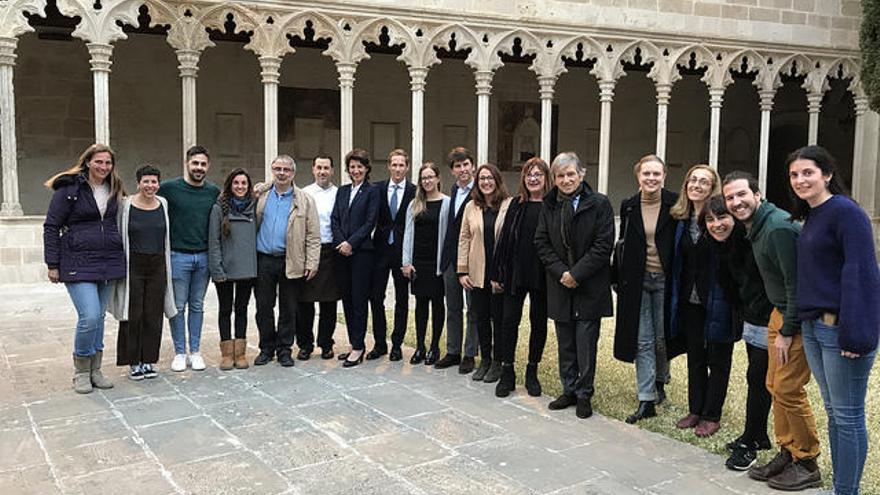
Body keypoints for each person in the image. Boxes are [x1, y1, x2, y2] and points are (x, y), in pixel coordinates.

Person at [788, 146, 879, 495]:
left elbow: (861, 274)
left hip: (840, 329)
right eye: (794, 175)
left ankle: (847, 491)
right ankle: (841, 488)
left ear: (827, 174)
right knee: (835, 414)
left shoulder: (846, 212)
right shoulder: (813, 215)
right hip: (815, 327)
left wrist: (857, 335)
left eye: (808, 172)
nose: (800, 180)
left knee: (849, 416)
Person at [722, 171, 821, 491]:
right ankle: (788, 450)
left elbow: (796, 283)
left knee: (789, 389)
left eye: (741, 195)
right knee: (773, 384)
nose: (736, 203)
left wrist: (788, 328)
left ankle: (807, 461)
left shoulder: (777, 228)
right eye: (730, 198)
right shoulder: (757, 227)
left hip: (795, 317)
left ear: (757, 194)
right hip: (779, 313)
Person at [534, 152, 613, 419]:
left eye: (571, 174)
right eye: (560, 176)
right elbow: (541, 243)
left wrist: (576, 273)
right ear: (554, 179)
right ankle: (568, 389)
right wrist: (561, 273)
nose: (566, 180)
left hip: (589, 284)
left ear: (582, 174)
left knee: (585, 342)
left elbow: (603, 245)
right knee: (565, 341)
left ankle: (583, 394)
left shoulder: (599, 203)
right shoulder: (549, 204)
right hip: (560, 284)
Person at [43, 143, 125, 393]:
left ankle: (95, 370)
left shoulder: (115, 188)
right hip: (77, 261)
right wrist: (53, 264)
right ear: (88, 161)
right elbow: (51, 226)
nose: (103, 167)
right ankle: (80, 371)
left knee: (99, 318)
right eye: (99, 162)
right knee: (89, 316)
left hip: (107, 261)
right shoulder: (69, 189)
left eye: (108, 163)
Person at [699, 196, 773, 471]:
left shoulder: (751, 242)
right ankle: (758, 434)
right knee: (758, 377)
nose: (717, 225)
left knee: (758, 377)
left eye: (722, 218)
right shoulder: (722, 246)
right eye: (710, 220)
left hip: (770, 317)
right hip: (752, 315)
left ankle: (750, 444)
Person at [668, 165, 735, 438]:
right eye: (692, 180)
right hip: (689, 300)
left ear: (713, 187)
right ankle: (696, 408)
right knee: (695, 356)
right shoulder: (680, 220)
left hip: (719, 299)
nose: (696, 185)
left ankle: (711, 414)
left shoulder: (720, 217)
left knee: (718, 359)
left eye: (704, 181)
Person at [613, 154, 678, 424]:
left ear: (664, 176)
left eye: (656, 174)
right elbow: (623, 243)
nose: (651, 178)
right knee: (643, 340)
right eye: (646, 174)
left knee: (662, 339)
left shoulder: (675, 203)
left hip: (666, 280)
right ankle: (646, 398)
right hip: (637, 281)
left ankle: (661, 380)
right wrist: (617, 276)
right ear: (638, 177)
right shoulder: (628, 206)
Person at [490, 157, 551, 398]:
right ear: (524, 179)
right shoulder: (516, 204)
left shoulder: (553, 205)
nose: (533, 178)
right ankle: (507, 372)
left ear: (546, 178)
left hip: (543, 273)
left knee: (539, 323)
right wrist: (497, 272)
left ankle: (532, 371)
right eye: (529, 175)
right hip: (515, 272)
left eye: (538, 174)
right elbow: (504, 240)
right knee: (508, 321)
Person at [253, 155, 321, 367]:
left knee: (288, 308)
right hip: (263, 260)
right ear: (272, 171)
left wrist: (312, 262)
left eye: (285, 169)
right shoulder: (261, 196)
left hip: (290, 260)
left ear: (293, 173)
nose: (281, 173)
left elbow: (313, 234)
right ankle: (266, 348)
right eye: (277, 169)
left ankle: (284, 349)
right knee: (263, 307)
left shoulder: (304, 199)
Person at [158, 145, 220, 372]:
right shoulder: (169, 189)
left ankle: (195, 351)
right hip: (178, 256)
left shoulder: (213, 191)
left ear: (208, 166)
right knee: (178, 306)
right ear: (187, 164)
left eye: (203, 164)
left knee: (197, 305)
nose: (199, 168)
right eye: (195, 163)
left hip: (203, 257)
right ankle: (180, 352)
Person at [113, 165, 176, 381]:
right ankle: (133, 361)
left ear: (159, 184)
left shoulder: (163, 204)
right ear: (138, 183)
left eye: (154, 182)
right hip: (134, 264)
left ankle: (148, 359)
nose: (150, 186)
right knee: (133, 314)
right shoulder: (126, 205)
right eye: (146, 181)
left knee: (153, 314)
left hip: (157, 263)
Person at [457, 163, 512, 382]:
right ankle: (485, 360)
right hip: (477, 272)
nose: (486, 182)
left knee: (498, 320)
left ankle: (498, 362)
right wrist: (462, 271)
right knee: (481, 318)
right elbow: (464, 238)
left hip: (498, 274)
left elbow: (511, 241)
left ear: (497, 181)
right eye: (482, 179)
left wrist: (504, 274)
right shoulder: (471, 206)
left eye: (490, 178)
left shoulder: (509, 205)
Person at [332, 148, 380, 367]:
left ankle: (359, 347)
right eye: (352, 166)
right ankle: (353, 343)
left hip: (362, 253)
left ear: (366, 168)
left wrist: (351, 243)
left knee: (360, 299)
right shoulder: (342, 191)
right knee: (347, 299)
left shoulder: (372, 191)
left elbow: (370, 222)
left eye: (360, 166)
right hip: (341, 253)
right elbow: (334, 219)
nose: (356, 170)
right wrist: (342, 242)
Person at [434, 147, 480, 374]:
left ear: (472, 165)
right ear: (452, 171)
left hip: (472, 261)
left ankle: (470, 354)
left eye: (466, 165)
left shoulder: (481, 191)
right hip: (451, 260)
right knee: (452, 307)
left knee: (473, 309)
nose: (463, 170)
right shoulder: (453, 191)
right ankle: (453, 351)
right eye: (458, 166)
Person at [368, 149, 416, 361]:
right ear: (388, 166)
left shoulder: (415, 191)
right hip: (379, 250)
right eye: (394, 165)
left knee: (402, 299)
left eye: (401, 165)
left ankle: (397, 344)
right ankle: (379, 344)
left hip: (402, 251)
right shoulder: (377, 188)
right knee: (376, 296)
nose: (397, 169)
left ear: (407, 167)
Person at [208, 168, 257, 370]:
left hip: (247, 269)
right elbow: (214, 241)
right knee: (225, 310)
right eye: (236, 183)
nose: (240, 187)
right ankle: (227, 353)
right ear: (230, 185)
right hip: (225, 270)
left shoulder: (255, 207)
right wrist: (217, 268)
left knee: (242, 309)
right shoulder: (219, 208)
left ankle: (241, 352)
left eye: (244, 183)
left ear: (249, 186)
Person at [402, 162, 450, 365]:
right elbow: (407, 234)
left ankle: (434, 347)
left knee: (438, 305)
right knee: (421, 306)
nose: (427, 181)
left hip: (437, 262)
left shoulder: (447, 203)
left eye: (431, 177)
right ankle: (420, 346)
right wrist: (406, 262)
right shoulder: (415, 204)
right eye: (424, 178)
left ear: (438, 178)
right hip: (418, 263)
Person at [297, 155, 342, 360]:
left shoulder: (338, 193)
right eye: (319, 168)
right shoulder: (304, 193)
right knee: (304, 302)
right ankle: (305, 344)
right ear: (313, 170)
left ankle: (326, 343)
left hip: (331, 252)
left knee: (329, 302)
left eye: (326, 168)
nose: (322, 172)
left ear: (332, 170)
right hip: (309, 250)